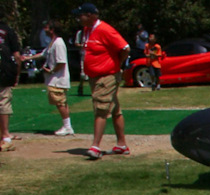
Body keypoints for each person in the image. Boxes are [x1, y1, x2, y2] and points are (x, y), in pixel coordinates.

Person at [76, 3, 130, 159]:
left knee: (100, 108)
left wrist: (116, 64)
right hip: (94, 76)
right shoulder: (87, 30)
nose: (79, 18)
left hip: (106, 76)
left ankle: (95, 146)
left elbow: (125, 48)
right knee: (114, 110)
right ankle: (121, 145)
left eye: (81, 15)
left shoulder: (105, 30)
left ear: (91, 15)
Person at [22, 20, 73, 135]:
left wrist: (51, 71)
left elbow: (61, 62)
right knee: (61, 102)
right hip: (54, 78)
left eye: (47, 27)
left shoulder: (58, 43)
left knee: (60, 102)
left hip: (58, 78)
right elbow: (42, 54)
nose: (44, 29)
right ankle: (67, 125)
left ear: (52, 29)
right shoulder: (52, 43)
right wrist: (26, 58)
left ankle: (67, 127)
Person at [0, 12, 22, 151]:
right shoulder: (8, 30)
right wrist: (17, 74)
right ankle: (6, 136)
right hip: (5, 70)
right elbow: (17, 56)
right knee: (3, 101)